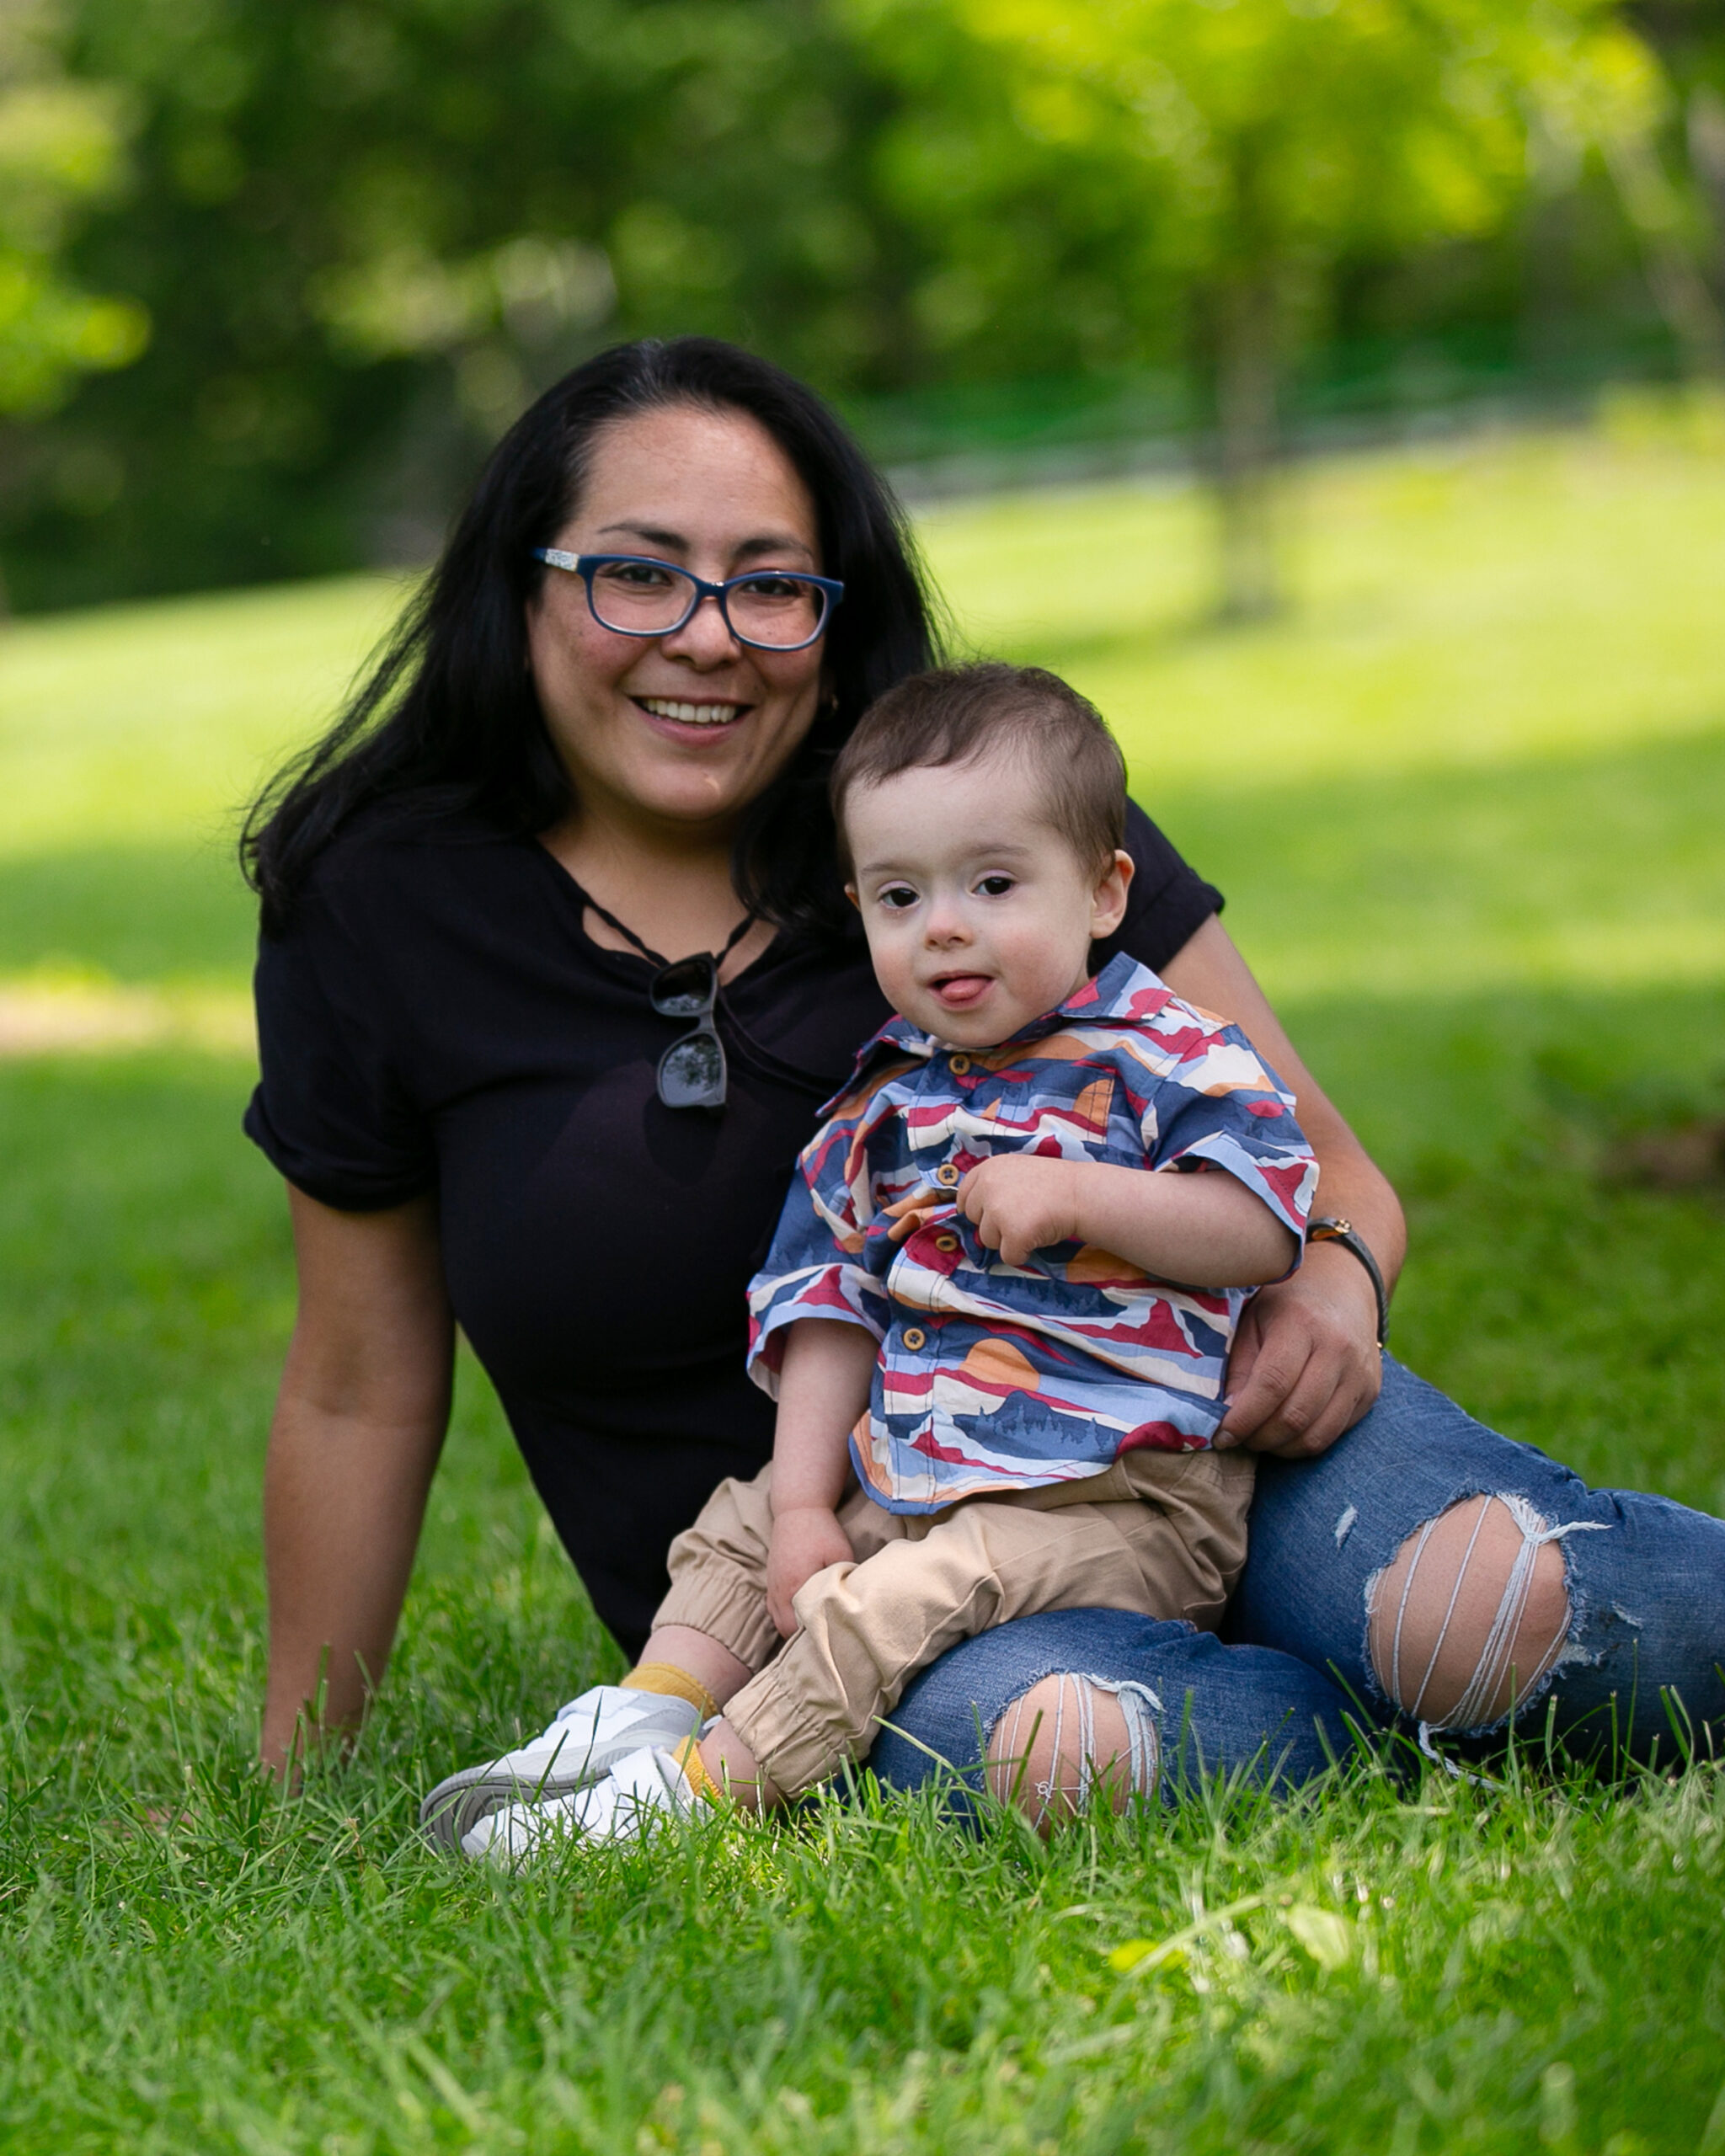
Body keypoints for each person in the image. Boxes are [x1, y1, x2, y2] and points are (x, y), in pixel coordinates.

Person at [243, 334, 1724, 1826]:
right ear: (524, 582)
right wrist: (294, 1774)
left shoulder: (982, 814)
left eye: (769, 584)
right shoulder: (378, 900)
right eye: (639, 572)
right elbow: (360, 1389)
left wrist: (1335, 1288)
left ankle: (1425, 1658)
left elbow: (1320, 1174)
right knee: (1054, 1752)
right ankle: (1345, 1720)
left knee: (1488, 1614)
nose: (707, 636)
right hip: (847, 1579)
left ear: (833, 613)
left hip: (1204, 1448)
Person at [424, 663, 1316, 1859]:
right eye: (900, 897)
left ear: (1106, 892)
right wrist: (802, 1507)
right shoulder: (882, 1103)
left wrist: (1086, 1194)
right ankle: (641, 1714)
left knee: (895, 1601)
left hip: (1121, 1497)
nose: (943, 924)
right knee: (741, 1527)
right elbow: (828, 1307)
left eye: (993, 884)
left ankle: (684, 1803)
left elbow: (1262, 1225)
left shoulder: (1166, 1054)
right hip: (918, 1474)